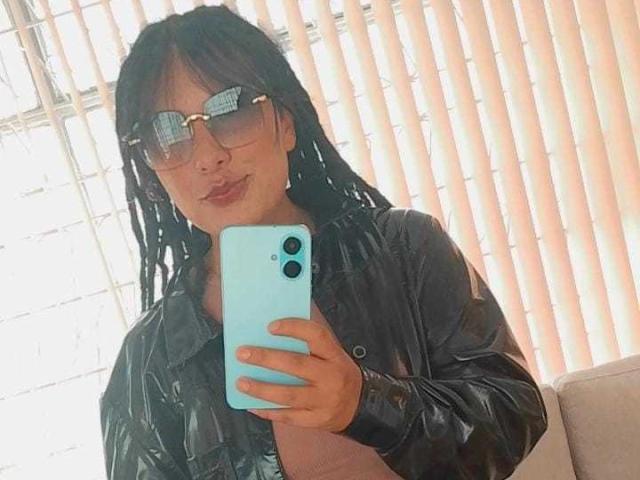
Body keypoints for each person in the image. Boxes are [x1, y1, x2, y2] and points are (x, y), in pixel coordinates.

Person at [99, 5, 547, 479]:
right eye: (167, 132)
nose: (208, 156)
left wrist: (365, 402)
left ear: (286, 123)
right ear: (152, 172)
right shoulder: (148, 364)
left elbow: (514, 414)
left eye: (230, 109)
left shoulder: (404, 249)